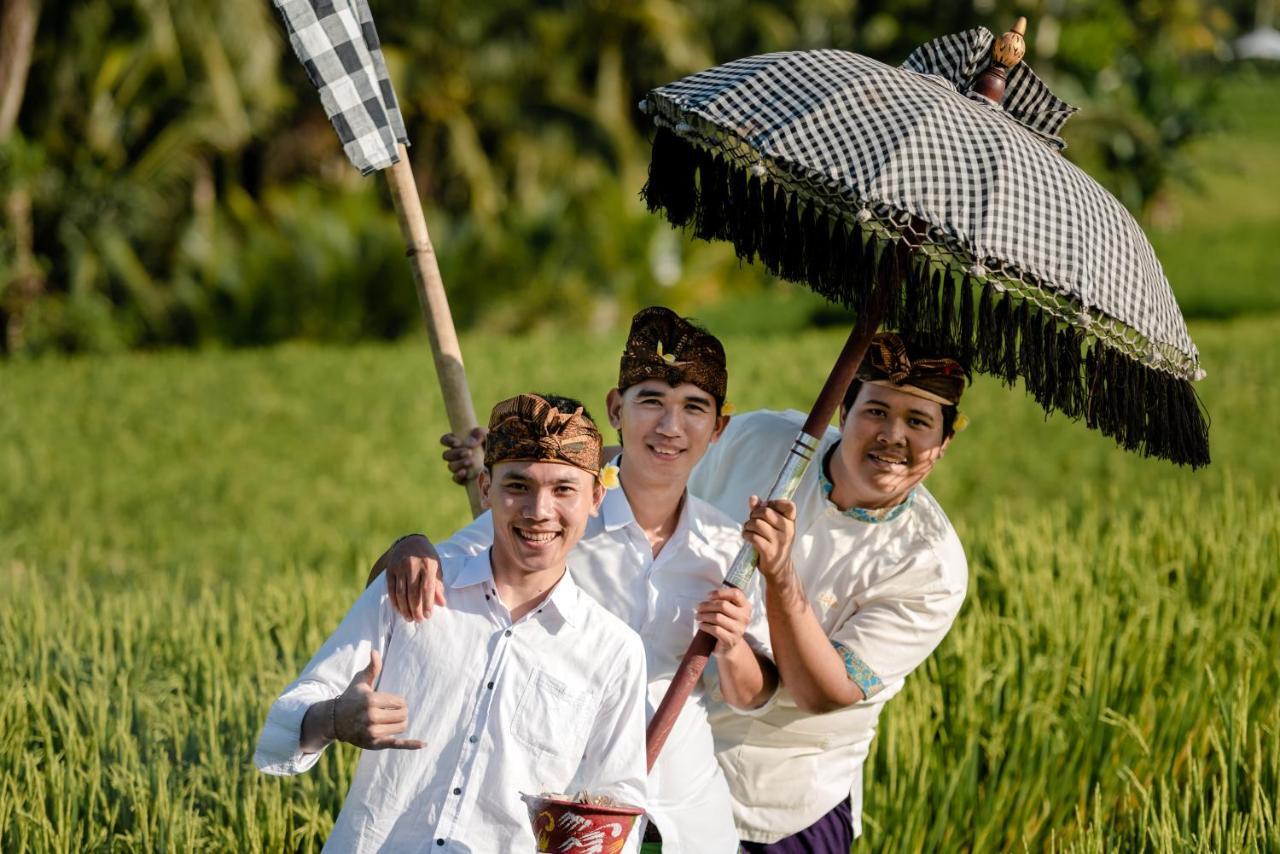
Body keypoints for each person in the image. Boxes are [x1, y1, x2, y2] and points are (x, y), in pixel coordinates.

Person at [370, 307, 777, 853]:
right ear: (616, 408)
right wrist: (407, 546)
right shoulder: (557, 518)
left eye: (693, 409)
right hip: (563, 820)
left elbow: (753, 697)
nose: (670, 427)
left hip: (685, 823)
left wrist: (730, 646)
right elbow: (410, 579)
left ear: (718, 428)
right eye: (651, 400)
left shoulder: (729, 547)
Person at [254, 393, 648, 853]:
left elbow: (617, 803)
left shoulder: (613, 650)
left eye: (564, 489)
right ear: (485, 489)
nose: (539, 510)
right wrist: (335, 718)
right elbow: (287, 718)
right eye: (517, 486)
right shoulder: (410, 588)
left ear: (596, 497)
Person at [694, 332, 969, 851]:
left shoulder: (931, 568)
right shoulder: (761, 440)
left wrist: (781, 576)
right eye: (876, 410)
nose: (892, 435)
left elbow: (821, 693)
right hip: (667, 769)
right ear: (844, 410)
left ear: (944, 442)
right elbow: (654, 476)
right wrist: (538, 475)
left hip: (783, 808)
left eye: (918, 421)